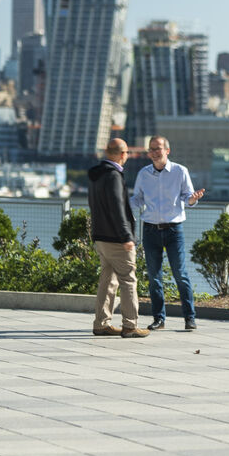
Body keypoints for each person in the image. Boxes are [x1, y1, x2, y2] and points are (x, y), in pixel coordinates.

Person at [130, 135, 205, 331]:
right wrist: (121, 204)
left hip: (173, 230)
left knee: (180, 274)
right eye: (151, 149)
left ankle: (189, 317)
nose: (154, 152)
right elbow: (137, 199)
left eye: (158, 148)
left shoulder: (180, 171)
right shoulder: (143, 174)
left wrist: (192, 200)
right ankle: (159, 319)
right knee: (154, 277)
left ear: (167, 151)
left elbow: (188, 196)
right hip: (150, 230)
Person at [87, 138, 148, 338]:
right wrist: (126, 236)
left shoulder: (96, 175)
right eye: (127, 153)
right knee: (128, 279)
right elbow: (117, 208)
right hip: (115, 238)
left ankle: (101, 323)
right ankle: (130, 325)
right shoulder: (113, 176)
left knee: (108, 279)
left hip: (100, 236)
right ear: (123, 154)